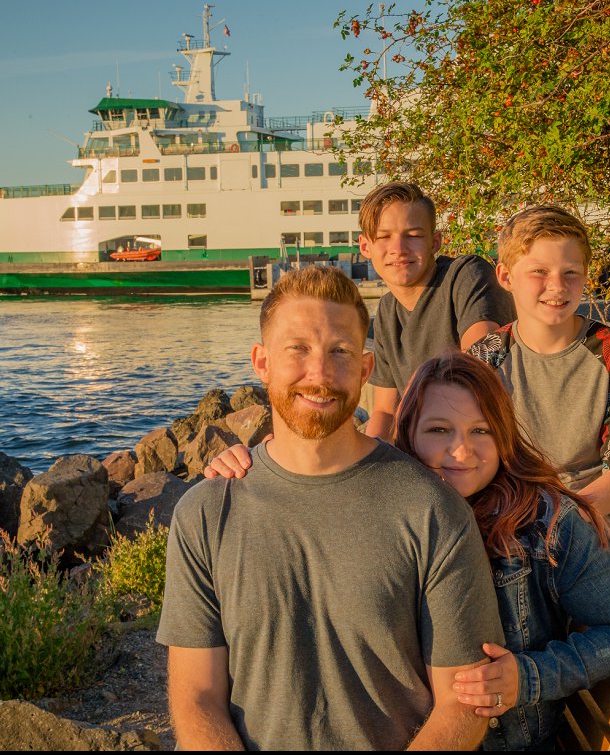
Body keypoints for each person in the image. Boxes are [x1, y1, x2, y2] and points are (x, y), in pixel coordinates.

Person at [205, 352, 610, 750]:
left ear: (503, 436)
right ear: (408, 433)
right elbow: (309, 481)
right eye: (439, 429)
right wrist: (252, 465)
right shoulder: (383, 501)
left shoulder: (546, 522)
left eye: (481, 430)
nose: (461, 450)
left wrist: (530, 676)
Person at [158, 265, 502, 750]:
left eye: (339, 351)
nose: (319, 374)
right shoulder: (206, 512)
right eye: (297, 349)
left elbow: (463, 703)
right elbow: (197, 697)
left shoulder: (432, 509)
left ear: (365, 369)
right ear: (262, 362)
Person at [467, 205, 610, 543]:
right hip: (508, 521)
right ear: (506, 277)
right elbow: (470, 458)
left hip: (593, 521)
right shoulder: (483, 360)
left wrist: (556, 525)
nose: (557, 286)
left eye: (571, 273)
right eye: (539, 271)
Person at [358, 182, 515, 440]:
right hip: (426, 449)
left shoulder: (466, 275)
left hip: (480, 443)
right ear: (366, 247)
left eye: (414, 235)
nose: (399, 248)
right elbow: (385, 411)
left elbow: (479, 366)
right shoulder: (387, 311)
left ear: (435, 242)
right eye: (384, 236)